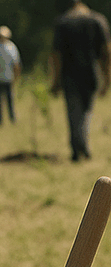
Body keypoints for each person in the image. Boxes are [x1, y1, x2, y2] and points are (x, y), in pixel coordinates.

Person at [51, 0, 111, 162]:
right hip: (90, 73)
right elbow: (106, 50)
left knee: (73, 112)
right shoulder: (97, 20)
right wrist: (107, 78)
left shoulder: (63, 22)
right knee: (86, 111)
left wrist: (55, 80)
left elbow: (57, 55)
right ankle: (82, 145)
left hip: (69, 74)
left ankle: (77, 147)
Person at [0, 26, 21, 125]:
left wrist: (16, 76)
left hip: (8, 77)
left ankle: (12, 118)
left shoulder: (11, 47)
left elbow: (16, 63)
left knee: (10, 99)